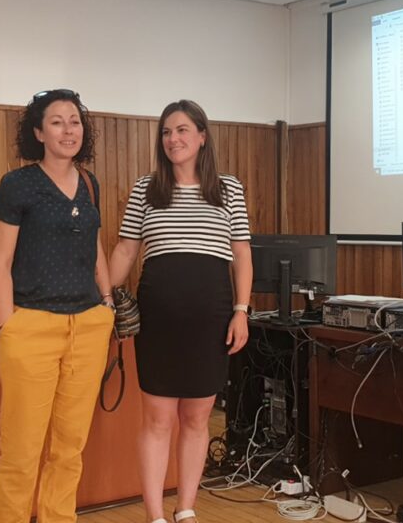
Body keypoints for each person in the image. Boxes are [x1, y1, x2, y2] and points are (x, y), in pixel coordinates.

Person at [108, 100, 253, 523]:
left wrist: (241, 310)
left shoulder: (229, 188)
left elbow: (241, 254)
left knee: (196, 418)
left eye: (183, 130)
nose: (173, 139)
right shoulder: (145, 188)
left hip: (212, 317)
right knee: (156, 420)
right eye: (167, 132)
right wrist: (103, 297)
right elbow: (125, 249)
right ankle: (155, 514)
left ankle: (185, 509)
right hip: (158, 319)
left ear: (202, 136)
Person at [0, 89, 115, 523]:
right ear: (38, 132)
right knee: (21, 452)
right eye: (56, 121)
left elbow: (94, 244)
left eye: (74, 121)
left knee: (69, 449)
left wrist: (107, 301)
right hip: (32, 326)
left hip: (88, 326)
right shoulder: (17, 185)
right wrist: (9, 327)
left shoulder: (91, 184)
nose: (68, 129)